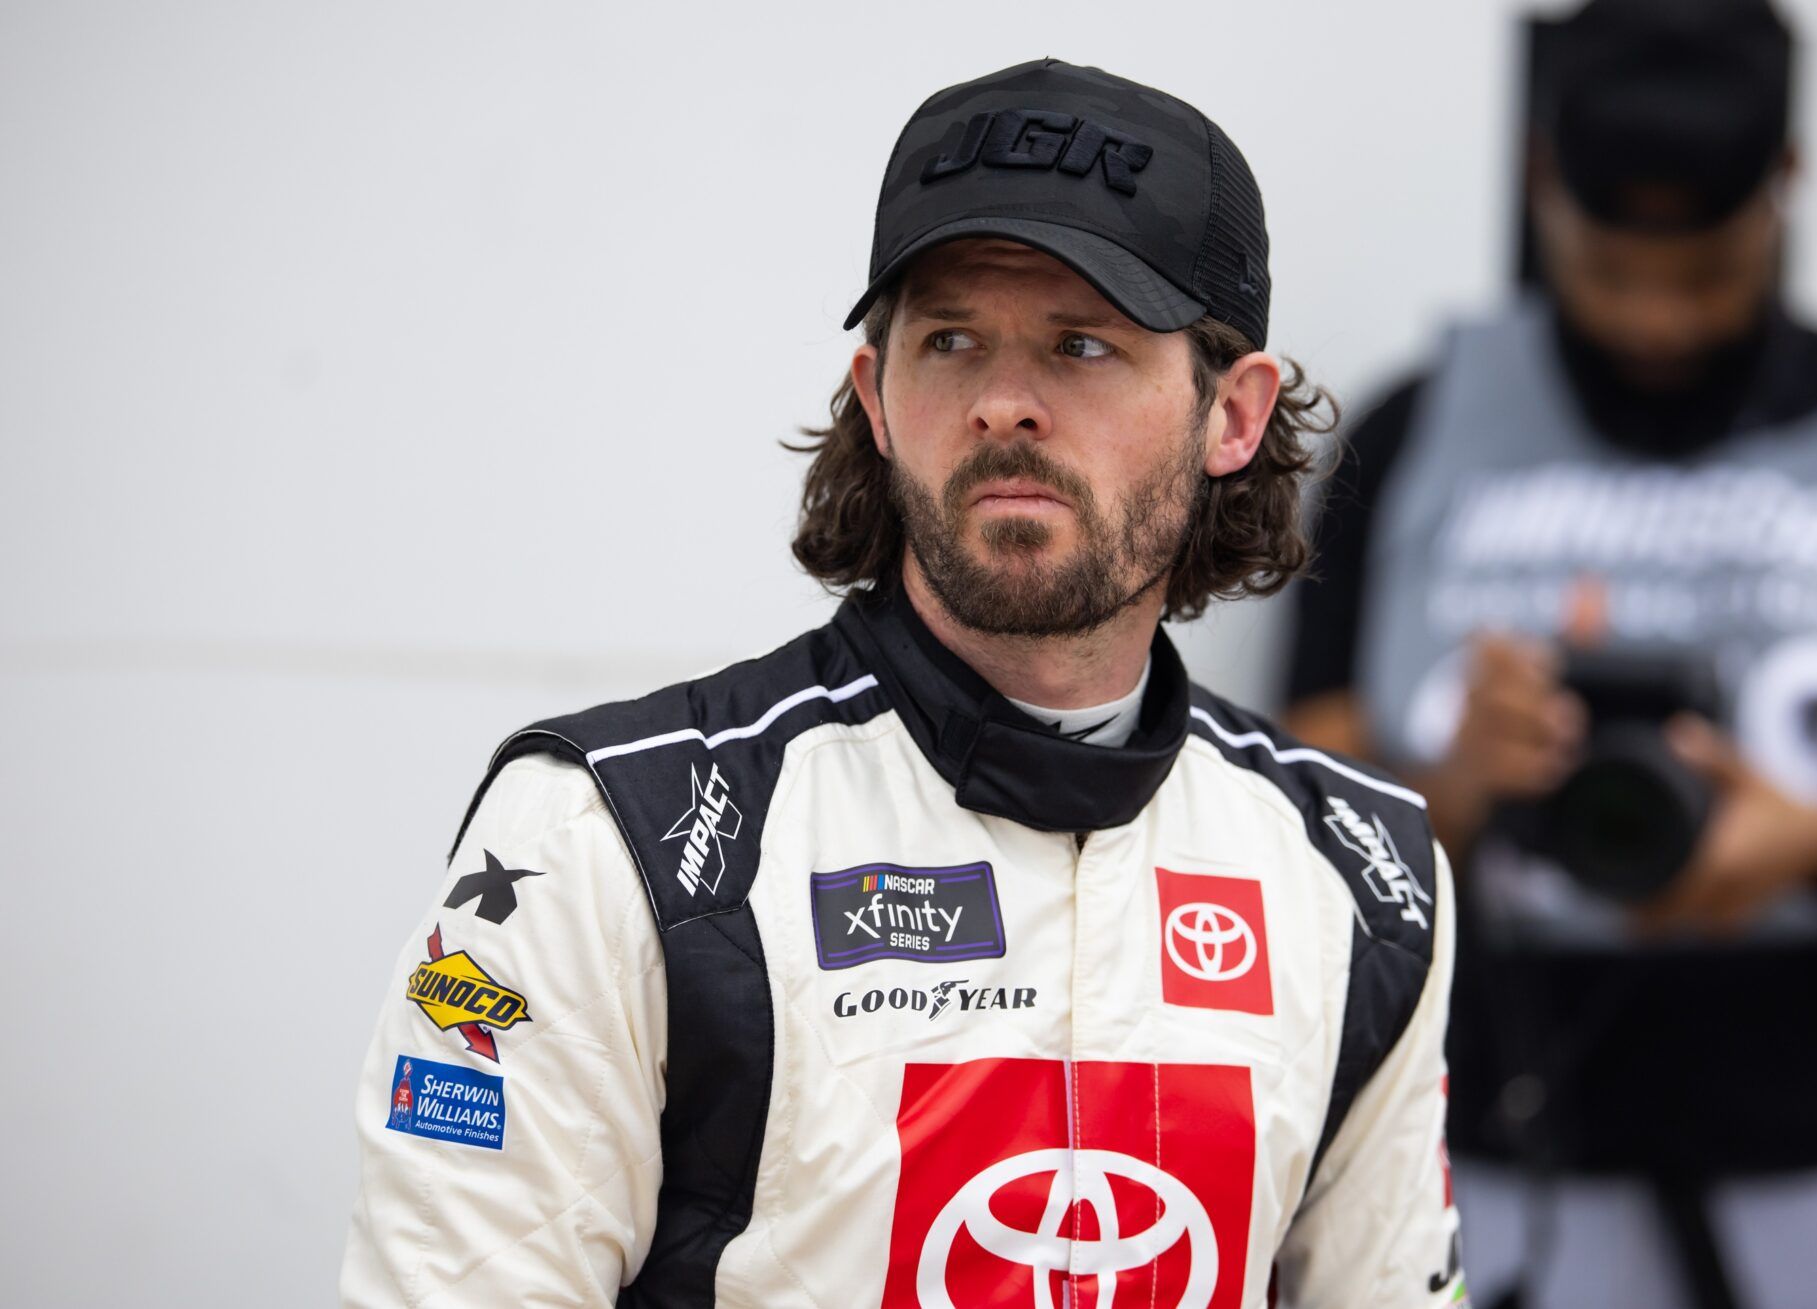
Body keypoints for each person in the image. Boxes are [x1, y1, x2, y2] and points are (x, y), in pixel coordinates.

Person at [340, 58, 1467, 1308]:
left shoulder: (1364, 878)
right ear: (878, 397)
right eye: (950, 340)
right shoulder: (613, 836)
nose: (1003, 404)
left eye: (1082, 343)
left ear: (1233, 415)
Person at [1280, 2, 1817, 1306]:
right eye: (1613, 269)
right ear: (1539, 184)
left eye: (1704, 274)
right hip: (1500, 1146)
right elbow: (1289, 819)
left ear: (1786, 185)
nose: (1658, 322)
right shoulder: (1418, 431)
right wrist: (1447, 793)